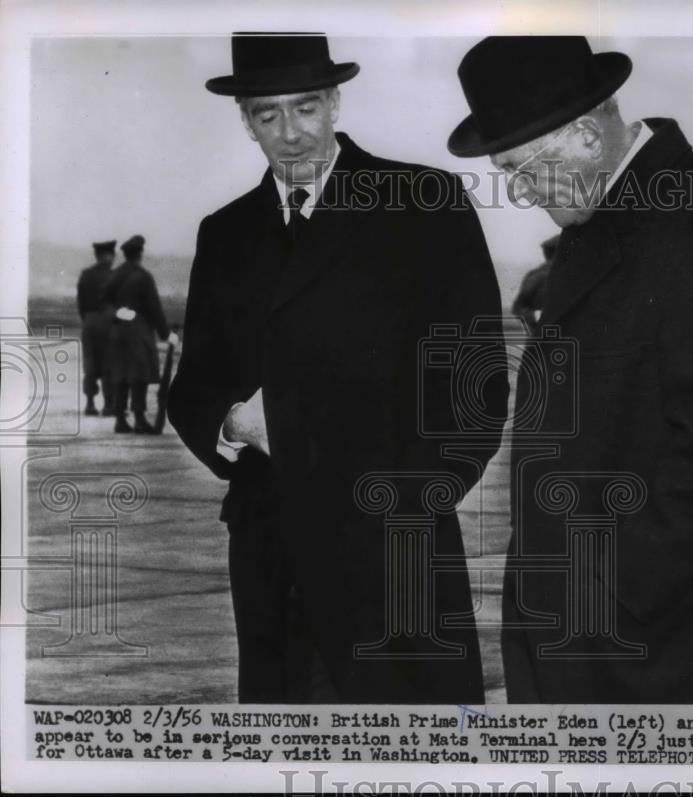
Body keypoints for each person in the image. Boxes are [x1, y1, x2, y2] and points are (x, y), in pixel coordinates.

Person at [167, 33, 507, 703]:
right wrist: (229, 424)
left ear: (335, 102)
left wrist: (414, 502)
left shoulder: (421, 202)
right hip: (271, 551)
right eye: (268, 115)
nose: (291, 134)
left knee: (409, 746)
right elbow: (196, 384)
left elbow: (476, 383)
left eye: (307, 108)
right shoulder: (226, 233)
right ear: (246, 121)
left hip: (392, 548)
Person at [449, 36, 693, 703]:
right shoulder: (605, 219)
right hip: (596, 637)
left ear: (583, 134)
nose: (519, 193)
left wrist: (613, 588)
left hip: (659, 646)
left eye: (523, 170)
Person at [103, 235, 175, 434]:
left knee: (121, 375)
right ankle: (139, 418)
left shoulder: (114, 275)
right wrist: (166, 334)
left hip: (117, 332)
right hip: (139, 333)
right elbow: (155, 308)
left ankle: (120, 420)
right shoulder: (143, 277)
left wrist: (117, 313)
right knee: (138, 376)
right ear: (140, 253)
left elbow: (102, 302)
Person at [76, 239, 117, 416]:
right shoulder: (114, 276)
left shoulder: (86, 274)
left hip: (90, 322)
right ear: (106, 256)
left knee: (90, 364)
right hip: (108, 322)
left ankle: (90, 403)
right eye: (112, 255)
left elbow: (81, 303)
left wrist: (88, 319)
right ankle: (109, 404)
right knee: (109, 363)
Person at [511, 234, 559, 335]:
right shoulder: (539, 276)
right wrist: (535, 315)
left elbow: (518, 307)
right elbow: (518, 307)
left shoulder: (535, 275)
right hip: (542, 338)